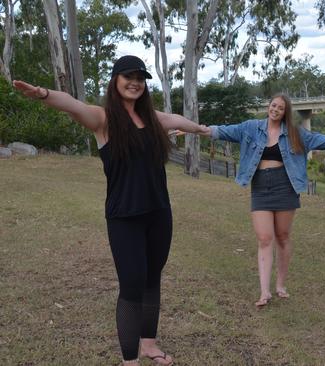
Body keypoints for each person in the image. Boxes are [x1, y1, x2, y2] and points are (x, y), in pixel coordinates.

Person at [13, 55, 211, 365]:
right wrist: (44, 94)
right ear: (115, 80)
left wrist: (200, 128)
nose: (135, 82)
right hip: (124, 217)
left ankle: (149, 345)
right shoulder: (104, 120)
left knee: (152, 280)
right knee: (131, 286)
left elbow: (176, 119)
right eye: (128, 76)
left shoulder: (153, 118)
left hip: (159, 213)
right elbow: (73, 105)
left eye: (140, 78)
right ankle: (129, 360)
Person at [206, 93, 325, 307]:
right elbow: (222, 130)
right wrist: (195, 128)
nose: (275, 109)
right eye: (273, 105)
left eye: (281, 108)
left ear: (286, 112)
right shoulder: (250, 127)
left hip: (285, 185)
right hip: (260, 187)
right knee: (265, 238)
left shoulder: (296, 133)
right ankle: (264, 292)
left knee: (282, 236)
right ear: (269, 106)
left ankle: (280, 284)